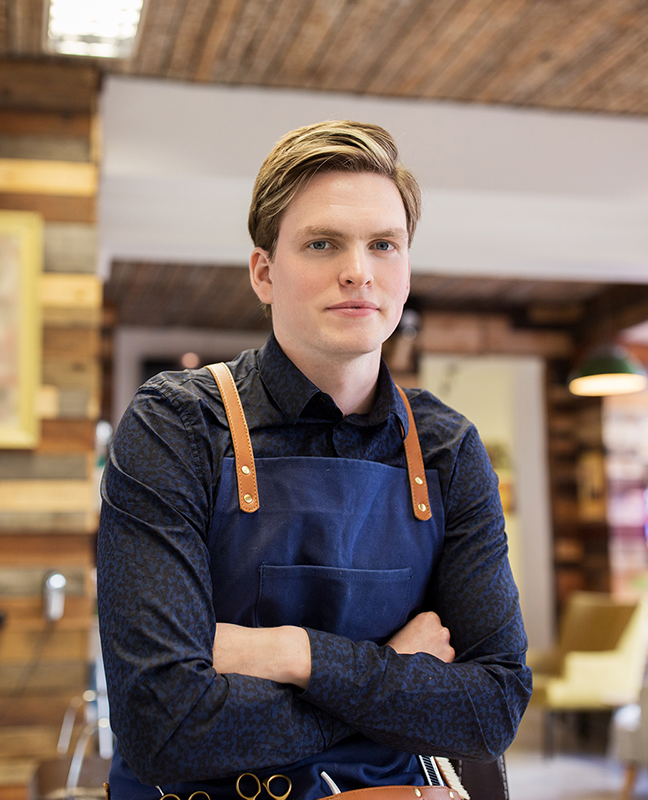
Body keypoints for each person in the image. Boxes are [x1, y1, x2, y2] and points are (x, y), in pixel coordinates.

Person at [97, 120, 531, 800]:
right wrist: (391, 671)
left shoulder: (448, 448)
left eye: (383, 244)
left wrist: (283, 653)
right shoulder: (176, 425)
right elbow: (163, 723)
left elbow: (492, 707)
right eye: (323, 243)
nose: (358, 269)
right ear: (264, 272)